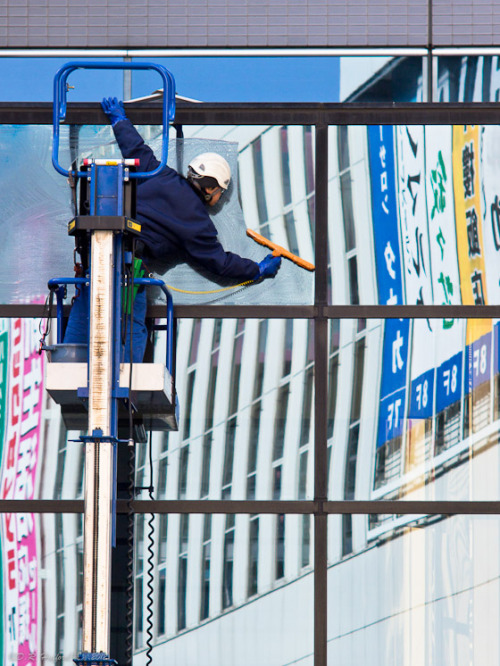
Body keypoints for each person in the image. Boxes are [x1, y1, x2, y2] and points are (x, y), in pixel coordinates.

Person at [63, 97, 281, 362]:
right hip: (128, 268)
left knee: (86, 302)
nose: (220, 199)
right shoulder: (197, 224)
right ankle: (125, 374)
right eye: (220, 193)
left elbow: (134, 146)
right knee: (132, 322)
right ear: (211, 187)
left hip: (97, 253)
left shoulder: (158, 173)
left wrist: (118, 118)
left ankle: (69, 359)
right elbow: (220, 263)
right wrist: (256, 270)